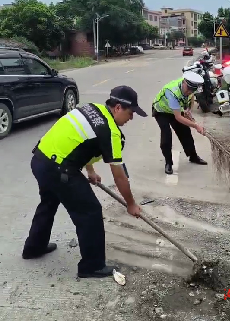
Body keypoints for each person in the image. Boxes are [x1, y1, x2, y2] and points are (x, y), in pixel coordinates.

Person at [22, 86, 147, 279]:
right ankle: (92, 266)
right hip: (58, 169)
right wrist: (130, 204)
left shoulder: (92, 109)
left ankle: (34, 247)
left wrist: (90, 170)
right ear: (118, 108)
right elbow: (119, 174)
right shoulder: (111, 131)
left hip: (40, 159)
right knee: (90, 212)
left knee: (48, 202)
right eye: (131, 114)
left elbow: (82, 141)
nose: (131, 119)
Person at [152, 71, 207, 175]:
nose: (189, 92)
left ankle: (193, 156)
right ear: (184, 83)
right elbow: (178, 117)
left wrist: (188, 111)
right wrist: (196, 126)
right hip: (161, 111)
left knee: (185, 132)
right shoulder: (172, 91)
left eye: (192, 90)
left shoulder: (191, 89)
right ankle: (168, 163)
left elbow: (190, 100)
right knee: (166, 135)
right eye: (188, 89)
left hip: (175, 109)